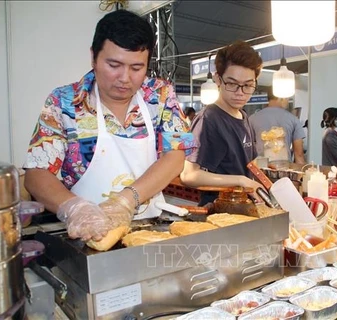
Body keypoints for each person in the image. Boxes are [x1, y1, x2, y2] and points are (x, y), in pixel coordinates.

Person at [23, 10, 196, 242]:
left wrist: (126, 200)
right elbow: (36, 174)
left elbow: (175, 156)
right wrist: (75, 209)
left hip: (150, 230)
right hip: (84, 235)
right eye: (114, 64)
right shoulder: (63, 102)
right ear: (94, 57)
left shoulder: (160, 94)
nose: (125, 78)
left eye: (136, 68)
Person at [180, 40, 264, 206]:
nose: (240, 93)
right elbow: (188, 176)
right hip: (218, 212)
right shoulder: (207, 120)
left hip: (242, 210)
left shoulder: (243, 116)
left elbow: (248, 165)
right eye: (232, 84)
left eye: (248, 85)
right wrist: (240, 181)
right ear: (218, 79)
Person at [249, 87, 306, 165]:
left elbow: (247, 149)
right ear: (282, 98)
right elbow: (299, 155)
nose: (287, 101)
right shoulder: (293, 119)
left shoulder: (252, 119)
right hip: (284, 169)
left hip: (260, 169)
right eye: (287, 98)